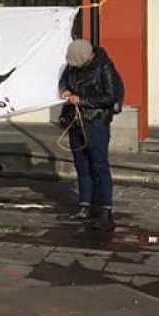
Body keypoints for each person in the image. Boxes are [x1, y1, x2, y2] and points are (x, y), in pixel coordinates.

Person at [59, 38, 125, 231]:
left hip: (96, 122)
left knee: (99, 165)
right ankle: (85, 205)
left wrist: (83, 100)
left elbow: (110, 96)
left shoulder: (104, 67)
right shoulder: (72, 67)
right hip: (76, 122)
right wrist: (64, 91)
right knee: (81, 164)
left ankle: (105, 209)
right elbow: (63, 81)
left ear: (89, 57)